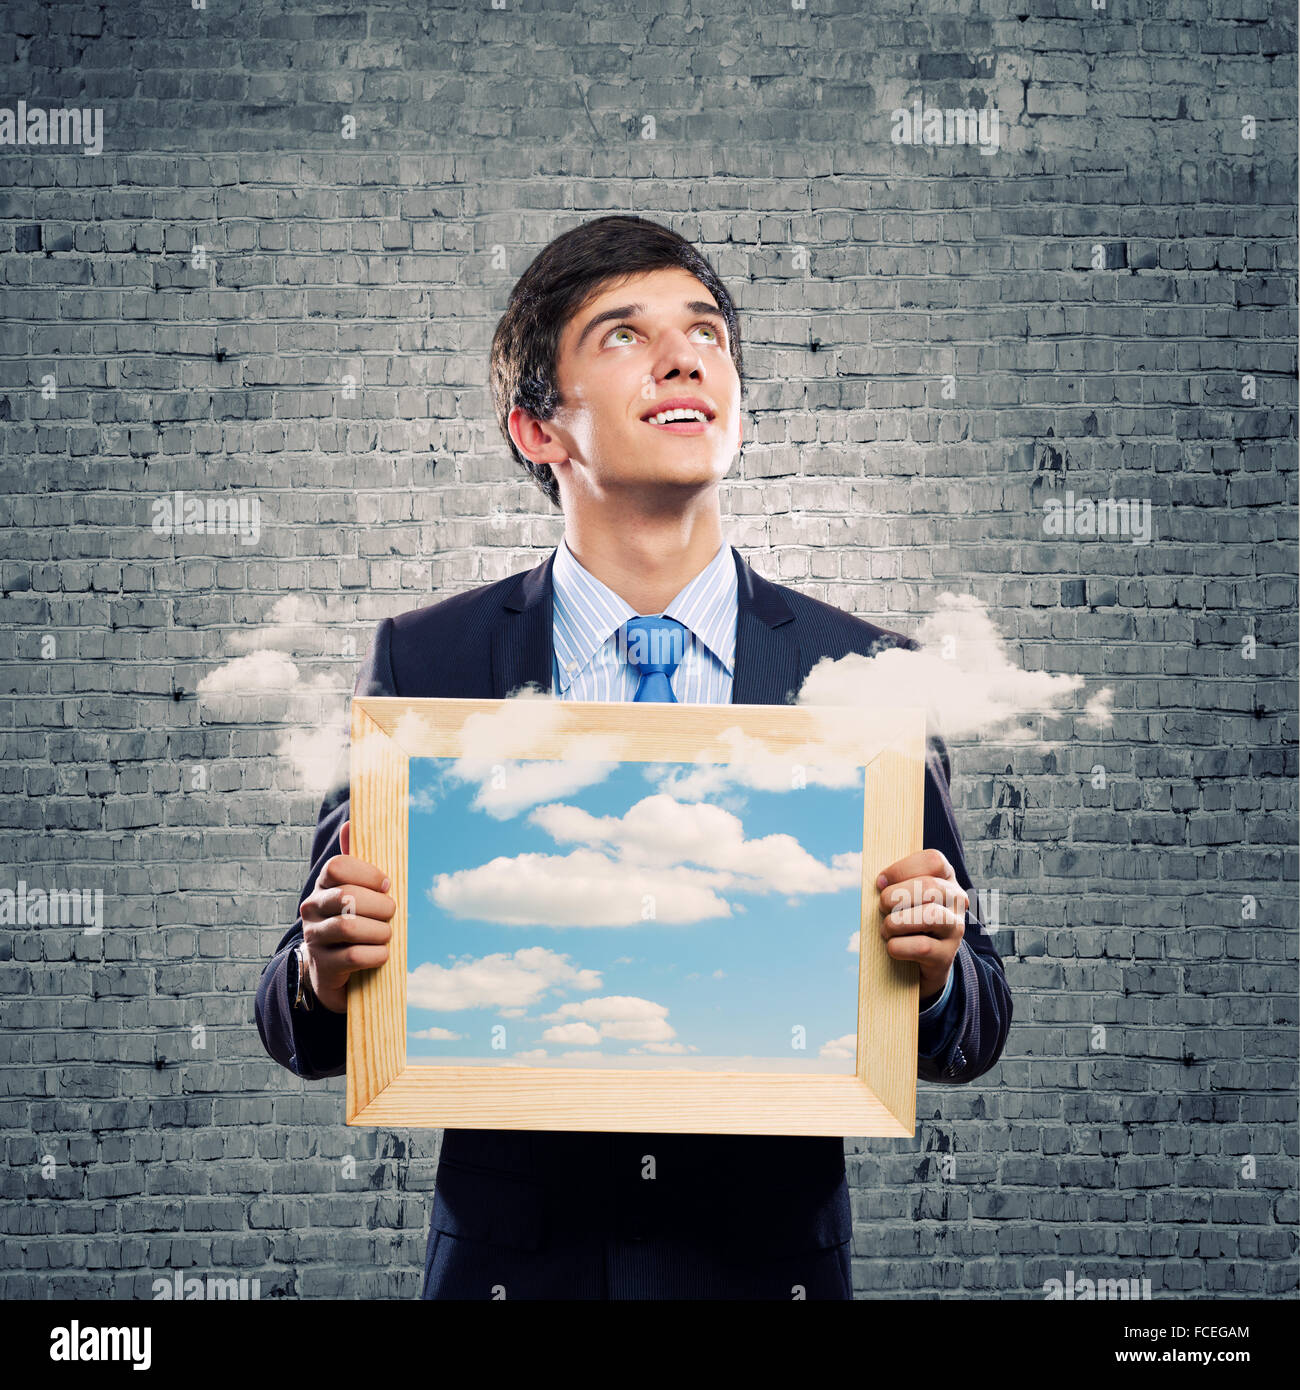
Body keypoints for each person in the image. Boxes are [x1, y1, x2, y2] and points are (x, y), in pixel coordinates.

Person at [255, 214, 1013, 1300]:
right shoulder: (430, 658)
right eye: (623, 335)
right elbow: (297, 1018)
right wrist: (327, 970)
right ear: (536, 427)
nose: (684, 354)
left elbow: (973, 1025)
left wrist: (934, 973)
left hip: (765, 1274)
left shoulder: (867, 672)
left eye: (706, 331)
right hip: (516, 1276)